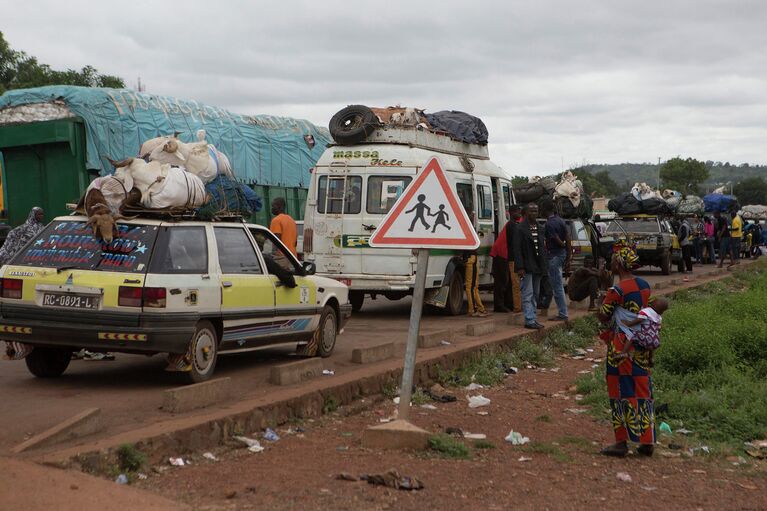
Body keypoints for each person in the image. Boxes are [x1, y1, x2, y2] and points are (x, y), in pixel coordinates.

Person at [598, 240, 656, 457]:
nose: (611, 263)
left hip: (620, 345)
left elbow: (603, 315)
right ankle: (647, 440)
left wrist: (601, 298)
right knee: (642, 389)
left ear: (619, 265)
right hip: (641, 343)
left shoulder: (617, 290)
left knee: (619, 390)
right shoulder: (644, 286)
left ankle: (621, 442)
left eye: (613, 260)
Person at [513, 203, 547, 330]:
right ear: (526, 213)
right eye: (532, 211)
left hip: (538, 266)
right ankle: (529, 319)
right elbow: (516, 249)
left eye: (536, 211)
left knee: (535, 294)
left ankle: (533, 317)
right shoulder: (520, 229)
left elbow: (543, 249)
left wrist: (544, 266)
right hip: (526, 266)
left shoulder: (540, 228)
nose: (534, 213)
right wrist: (520, 267)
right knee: (528, 293)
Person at [615, 297, 669, 368]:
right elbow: (658, 329)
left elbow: (639, 319)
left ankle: (623, 353)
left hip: (644, 337)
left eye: (654, 301)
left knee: (631, 334)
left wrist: (629, 324)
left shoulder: (647, 311)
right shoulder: (659, 318)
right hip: (655, 341)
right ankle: (651, 358)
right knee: (651, 344)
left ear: (654, 305)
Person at [541, 200, 570, 321]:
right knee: (557, 285)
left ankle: (563, 313)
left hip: (554, 255)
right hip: (561, 255)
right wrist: (568, 254)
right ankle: (562, 312)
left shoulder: (549, 224)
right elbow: (568, 238)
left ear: (545, 210)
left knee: (557, 286)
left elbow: (557, 239)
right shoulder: (561, 220)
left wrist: (562, 245)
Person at [490, 211, 515, 312]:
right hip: (501, 254)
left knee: (507, 281)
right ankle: (499, 305)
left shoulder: (514, 224)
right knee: (502, 281)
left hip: (505, 254)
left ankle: (508, 304)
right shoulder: (514, 225)